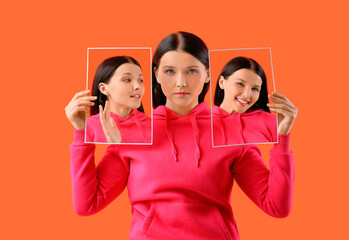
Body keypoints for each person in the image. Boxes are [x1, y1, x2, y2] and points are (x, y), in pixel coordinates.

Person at [68, 32, 297, 240]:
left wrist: (282, 139)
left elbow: (276, 206)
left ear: (207, 75)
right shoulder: (131, 132)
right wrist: (81, 134)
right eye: (169, 71)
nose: (181, 83)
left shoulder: (231, 130)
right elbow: (88, 204)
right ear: (156, 75)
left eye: (192, 71)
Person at [65, 56, 151, 144]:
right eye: (127, 80)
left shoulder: (153, 126)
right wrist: (81, 131)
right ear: (103, 89)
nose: (138, 86)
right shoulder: (89, 126)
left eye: (140, 80)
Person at [213, 56, 291, 145]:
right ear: (222, 82)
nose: (247, 95)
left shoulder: (271, 121)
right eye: (240, 84)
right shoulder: (202, 122)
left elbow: (280, 158)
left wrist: (283, 132)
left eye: (254, 88)